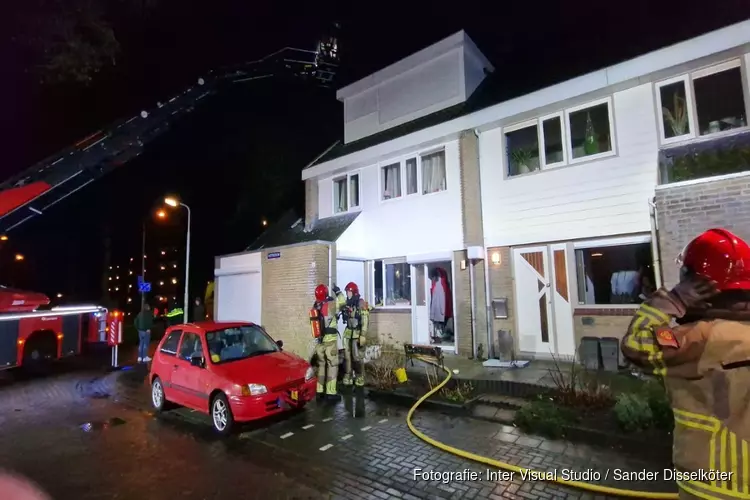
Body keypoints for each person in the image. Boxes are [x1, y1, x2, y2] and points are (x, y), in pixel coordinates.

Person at [621, 228, 750, 499]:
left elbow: (636, 345)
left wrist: (672, 301)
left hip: (715, 483)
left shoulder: (702, 338)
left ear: (698, 285)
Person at [310, 284, 344, 401]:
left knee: (321, 366)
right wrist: (338, 291)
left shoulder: (315, 306)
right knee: (332, 366)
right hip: (330, 341)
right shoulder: (331, 305)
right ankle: (331, 393)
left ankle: (319, 391)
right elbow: (343, 302)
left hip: (319, 342)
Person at [341, 282, 371, 388]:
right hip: (348, 333)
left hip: (357, 334)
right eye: (347, 292)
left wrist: (363, 335)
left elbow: (365, 319)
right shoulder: (347, 303)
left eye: (349, 292)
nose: (347, 294)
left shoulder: (360, 303)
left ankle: (359, 377)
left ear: (354, 292)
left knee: (357, 357)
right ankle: (348, 375)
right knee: (347, 357)